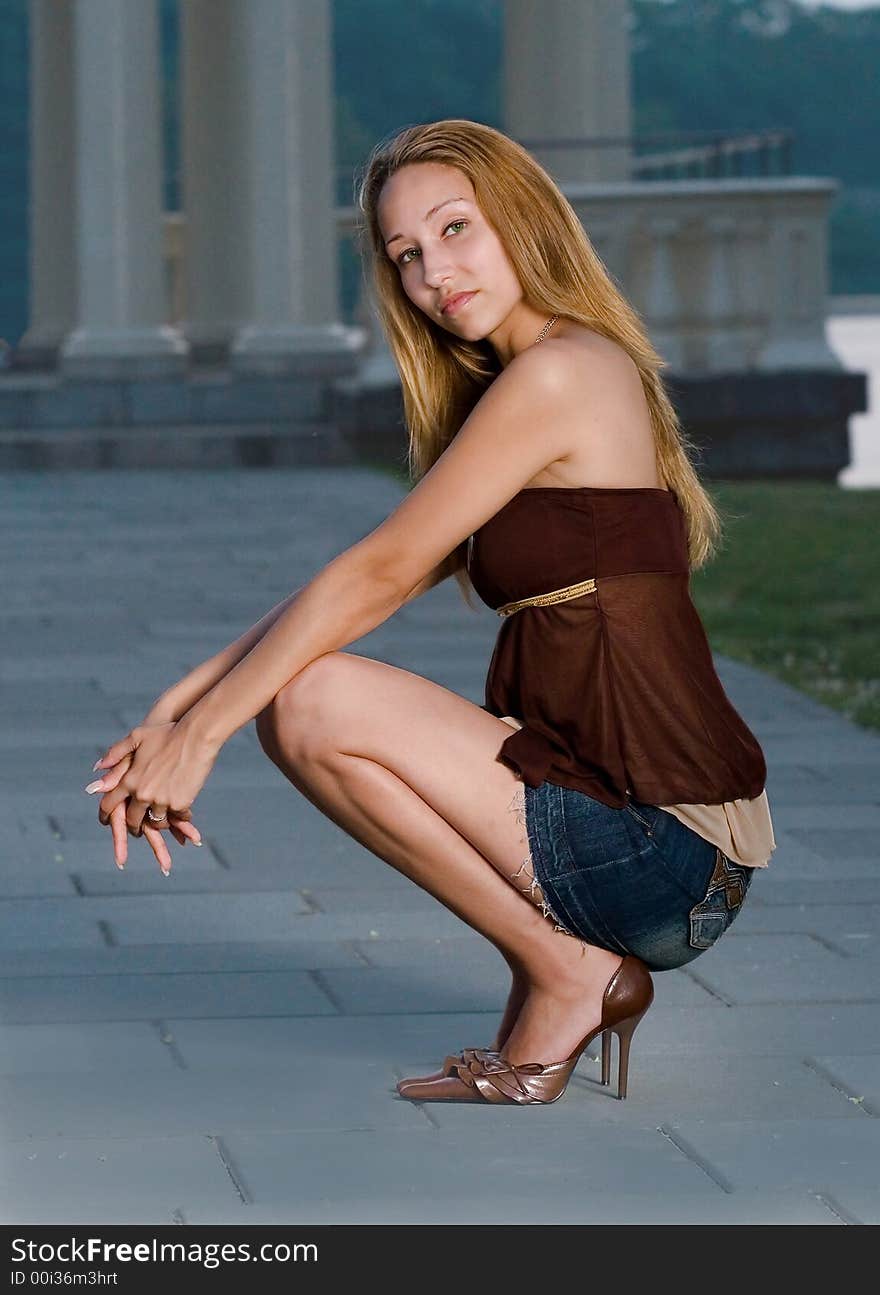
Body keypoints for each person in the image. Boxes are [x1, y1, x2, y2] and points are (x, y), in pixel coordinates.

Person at [86, 118, 775, 1107]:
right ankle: (568, 970)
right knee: (303, 684)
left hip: (661, 851)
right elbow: (372, 579)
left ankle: (570, 973)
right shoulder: (528, 378)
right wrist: (176, 707)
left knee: (311, 702)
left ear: (521, 221)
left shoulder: (561, 372)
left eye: (455, 229)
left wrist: (207, 734)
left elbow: (377, 572)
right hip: (641, 834)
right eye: (406, 253)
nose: (432, 272)